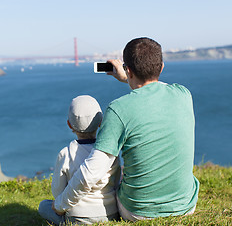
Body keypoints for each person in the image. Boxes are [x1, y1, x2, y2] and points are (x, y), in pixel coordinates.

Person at [52, 37, 199, 221]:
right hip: (185, 205)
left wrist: (59, 205)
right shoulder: (184, 95)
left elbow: (92, 173)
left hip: (139, 212)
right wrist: (129, 79)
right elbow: (156, 90)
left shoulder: (118, 109)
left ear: (127, 69)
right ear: (161, 67)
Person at [38, 95, 121, 225]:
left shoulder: (65, 153)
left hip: (78, 216)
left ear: (69, 124)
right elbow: (116, 183)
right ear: (100, 123)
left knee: (43, 206)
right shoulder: (110, 152)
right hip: (109, 213)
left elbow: (57, 192)